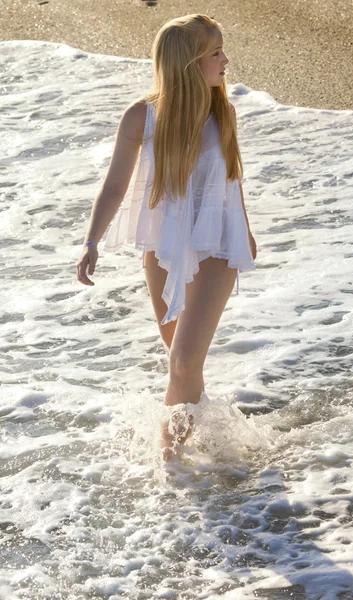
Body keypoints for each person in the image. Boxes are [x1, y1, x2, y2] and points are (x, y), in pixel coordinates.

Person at [76, 14, 257, 459]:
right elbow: (116, 184)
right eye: (215, 53)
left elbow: (232, 178)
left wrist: (246, 233)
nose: (225, 60)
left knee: (183, 362)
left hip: (215, 244)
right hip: (164, 246)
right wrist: (92, 241)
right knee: (179, 357)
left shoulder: (221, 111)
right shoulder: (143, 116)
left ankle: (170, 464)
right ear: (188, 62)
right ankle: (209, 444)